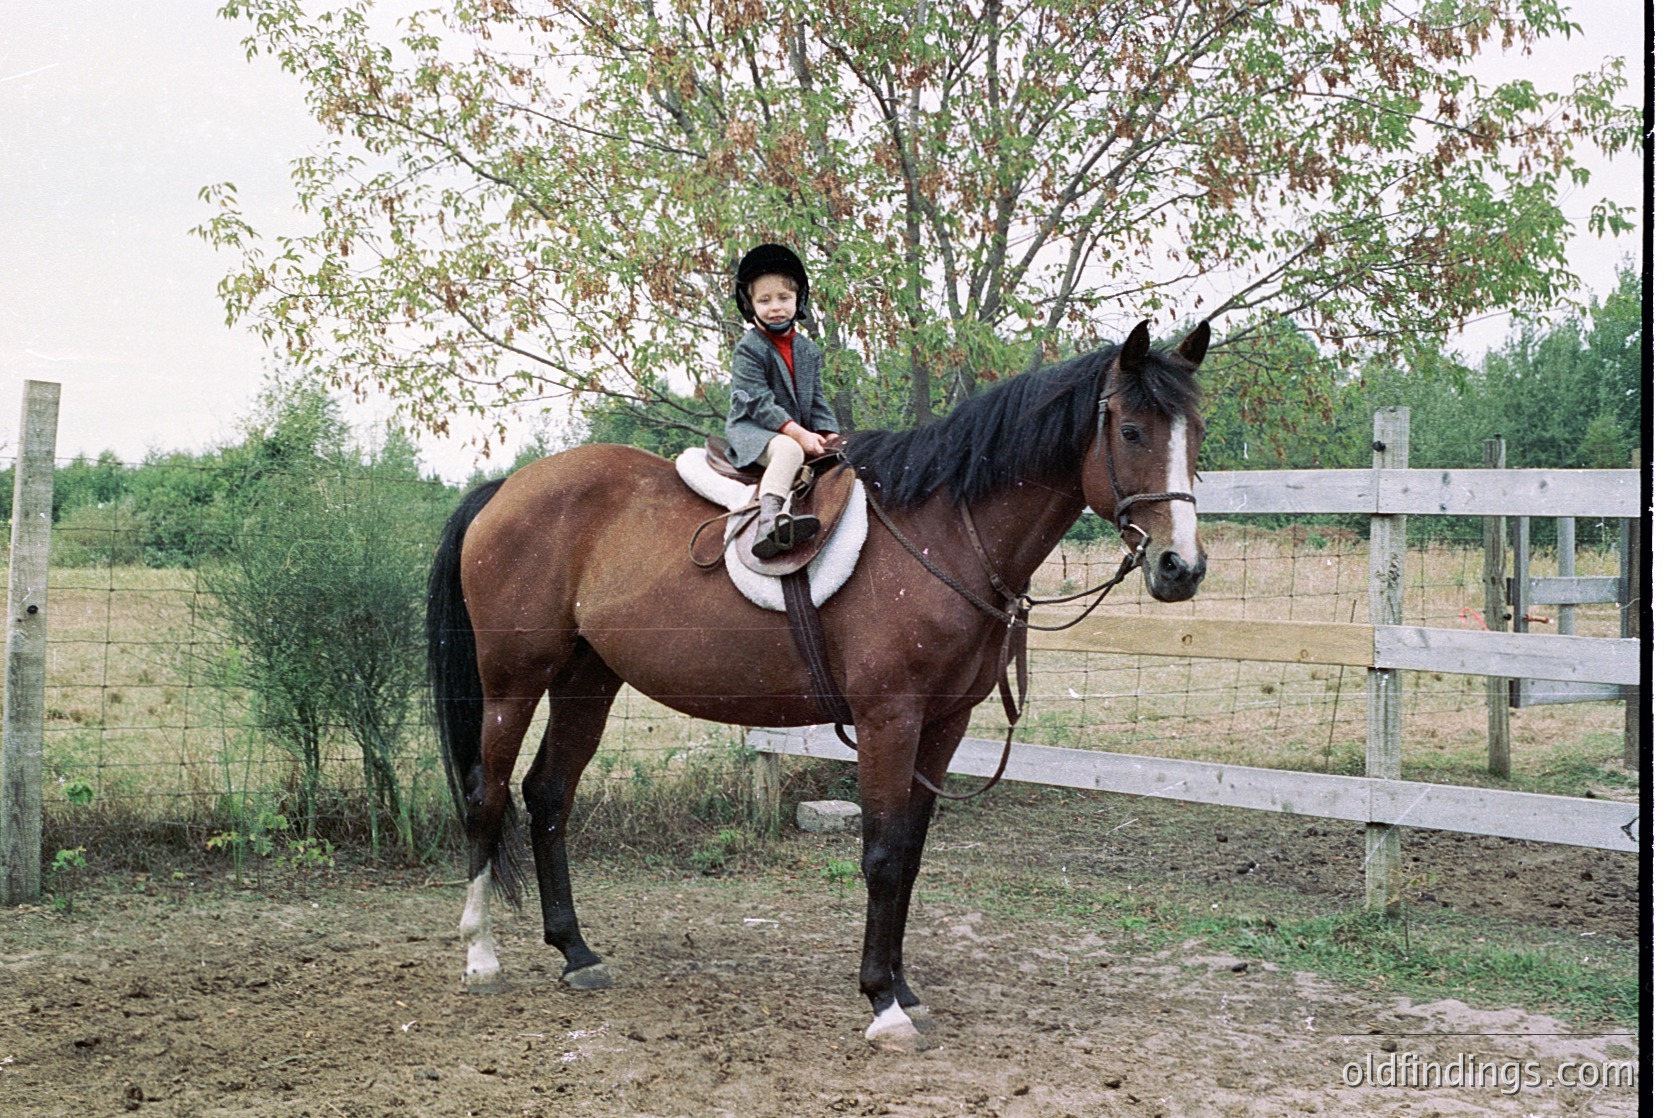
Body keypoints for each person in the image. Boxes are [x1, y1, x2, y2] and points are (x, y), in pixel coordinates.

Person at [725, 243, 841, 559]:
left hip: (794, 429)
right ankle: (768, 521)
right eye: (764, 300)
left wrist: (830, 433)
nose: (775, 307)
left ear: (797, 300)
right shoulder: (749, 349)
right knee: (789, 450)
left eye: (783, 298)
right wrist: (798, 433)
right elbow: (758, 403)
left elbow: (816, 400)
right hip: (755, 430)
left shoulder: (808, 351)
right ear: (750, 304)